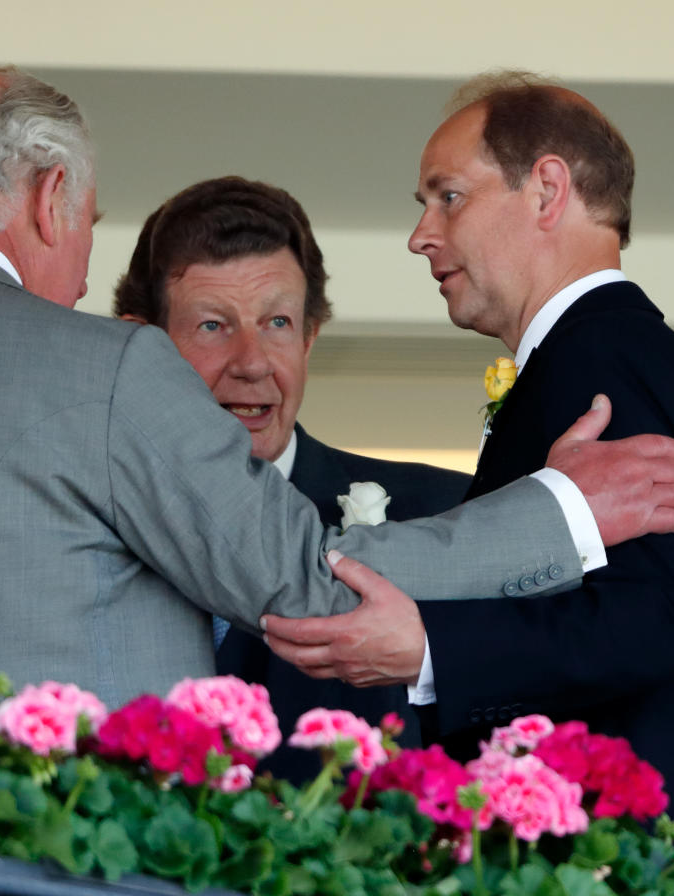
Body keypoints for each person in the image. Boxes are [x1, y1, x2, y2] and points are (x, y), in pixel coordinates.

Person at [0, 66, 674, 728]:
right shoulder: (110, 368)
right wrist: (558, 510)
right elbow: (302, 579)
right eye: (91, 223)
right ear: (53, 197)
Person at [263, 72, 674, 841]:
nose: (420, 234)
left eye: (447, 196)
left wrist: (428, 649)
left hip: (647, 854)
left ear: (548, 189)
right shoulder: (606, 356)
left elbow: (653, 619)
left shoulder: (602, 359)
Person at [113, 175, 471, 782]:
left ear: (310, 338)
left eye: (276, 322)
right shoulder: (81, 527)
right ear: (141, 347)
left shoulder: (443, 511)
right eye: (212, 325)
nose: (252, 363)